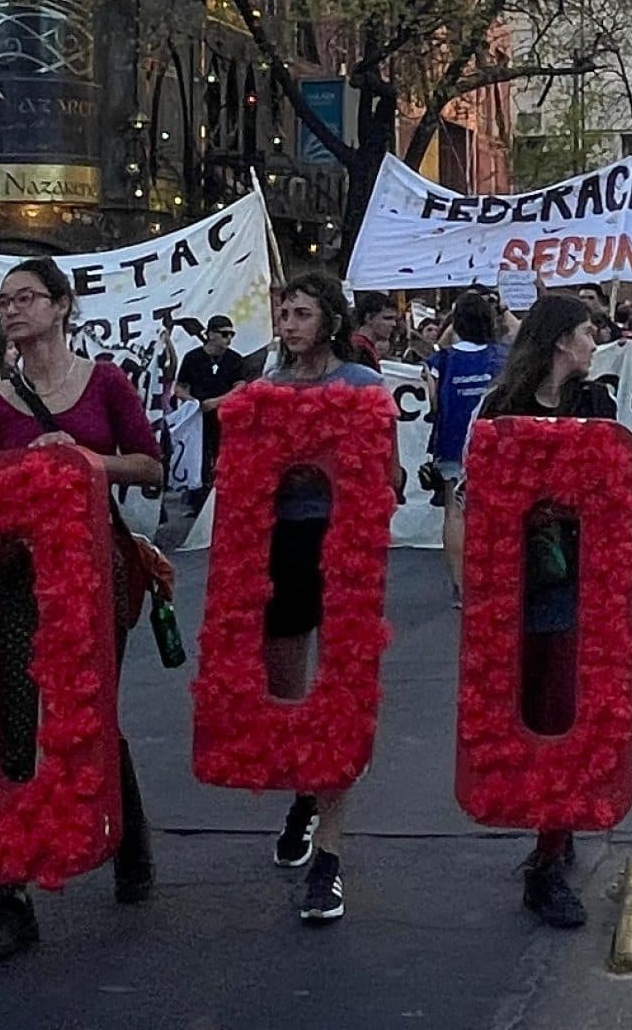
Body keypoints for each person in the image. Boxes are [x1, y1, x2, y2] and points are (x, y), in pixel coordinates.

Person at [0, 258, 165, 967]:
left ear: (61, 306)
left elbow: (150, 464)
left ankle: (128, 840)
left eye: (28, 298)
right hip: (20, 576)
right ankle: (8, 898)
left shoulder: (104, 381)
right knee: (14, 720)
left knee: (88, 710)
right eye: (5, 300)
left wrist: (83, 459)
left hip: (95, 566)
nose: (14, 310)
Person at [240, 272, 399, 929]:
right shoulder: (263, 392)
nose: (288, 323)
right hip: (280, 551)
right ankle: (305, 793)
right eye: (284, 313)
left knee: (340, 701)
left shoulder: (361, 388)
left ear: (328, 320)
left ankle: (328, 859)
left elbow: (387, 475)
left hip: (342, 548)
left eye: (301, 312)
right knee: (289, 696)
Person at [465, 292, 621, 930]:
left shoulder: (595, 404)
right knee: (522, 712)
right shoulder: (504, 408)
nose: (594, 344)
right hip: (513, 584)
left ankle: (548, 861)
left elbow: (613, 489)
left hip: (573, 586)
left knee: (560, 716)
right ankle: (549, 823)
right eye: (587, 333)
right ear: (560, 341)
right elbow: (476, 492)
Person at [426, 292, 504, 598]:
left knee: (454, 512)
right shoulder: (501, 356)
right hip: (490, 441)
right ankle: (492, 578)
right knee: (492, 510)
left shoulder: (442, 360)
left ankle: (461, 585)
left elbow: (433, 402)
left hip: (451, 442)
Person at [178, 314, 255, 490]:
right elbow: (180, 387)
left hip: (225, 415)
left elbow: (241, 386)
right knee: (198, 456)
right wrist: (193, 403)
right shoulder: (192, 358)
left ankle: (224, 488)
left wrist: (218, 401)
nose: (229, 339)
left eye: (231, 335)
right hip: (198, 416)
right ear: (211, 334)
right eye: (224, 334)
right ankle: (197, 493)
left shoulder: (234, 359)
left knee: (225, 453)